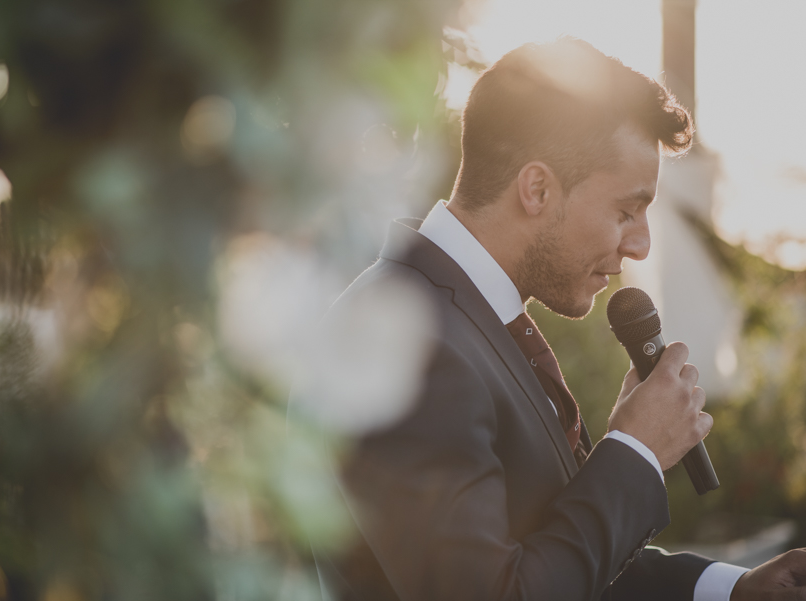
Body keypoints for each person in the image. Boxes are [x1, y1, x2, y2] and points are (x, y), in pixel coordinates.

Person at [297, 38, 806, 600]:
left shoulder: (477, 322)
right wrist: (634, 453)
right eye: (626, 210)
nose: (640, 243)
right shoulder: (404, 341)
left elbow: (564, 563)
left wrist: (731, 590)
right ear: (537, 188)